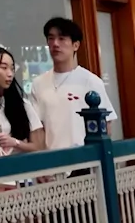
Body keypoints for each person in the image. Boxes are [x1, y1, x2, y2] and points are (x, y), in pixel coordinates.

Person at [31, 18, 116, 150]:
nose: (55, 44)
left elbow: (106, 125)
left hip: (84, 160)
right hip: (53, 160)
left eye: (62, 38)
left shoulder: (90, 81)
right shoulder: (38, 83)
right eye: (51, 38)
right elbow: (38, 128)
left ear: (75, 45)